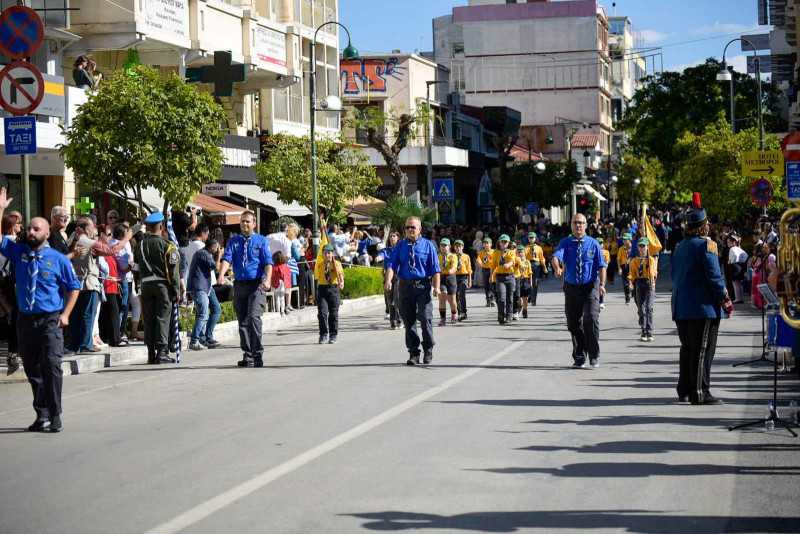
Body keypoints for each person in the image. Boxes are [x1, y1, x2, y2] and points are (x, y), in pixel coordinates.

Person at [0, 188, 80, 432]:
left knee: (51, 366)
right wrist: (1, 209)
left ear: (47, 232)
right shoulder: (19, 253)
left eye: (36, 228)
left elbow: (73, 287)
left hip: (50, 321)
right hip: (25, 320)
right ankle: (41, 414)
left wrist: (65, 315)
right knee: (32, 368)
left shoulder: (59, 259)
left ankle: (55, 415)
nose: (31, 231)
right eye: (30, 228)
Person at [672, 193, 733, 405]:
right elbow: (715, 277)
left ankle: (685, 389)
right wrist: (725, 299)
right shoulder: (707, 245)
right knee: (702, 351)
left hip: (681, 307)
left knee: (688, 349)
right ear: (704, 226)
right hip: (702, 307)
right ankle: (700, 392)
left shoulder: (680, 247)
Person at [67, 217, 132, 355]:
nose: (95, 229)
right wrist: (126, 239)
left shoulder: (71, 240)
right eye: (93, 226)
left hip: (74, 284)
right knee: (88, 315)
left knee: (75, 316)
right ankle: (85, 345)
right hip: (89, 282)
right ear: (86, 229)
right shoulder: (91, 243)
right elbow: (111, 250)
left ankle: (74, 345)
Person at [551, 213, 607, 369]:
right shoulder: (565, 243)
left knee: (591, 319)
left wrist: (602, 284)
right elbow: (556, 257)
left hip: (590, 286)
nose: (578, 226)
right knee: (573, 324)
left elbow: (602, 265)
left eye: (581, 223)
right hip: (571, 287)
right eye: (575, 223)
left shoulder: (593, 243)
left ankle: (594, 354)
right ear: (571, 225)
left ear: (586, 225)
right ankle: (580, 356)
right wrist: (557, 268)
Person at [218, 211, 274, 367]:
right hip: (240, 285)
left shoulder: (261, 240)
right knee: (242, 322)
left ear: (254, 223)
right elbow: (227, 258)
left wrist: (268, 280)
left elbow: (268, 262)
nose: (245, 224)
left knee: (254, 317)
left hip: (257, 285)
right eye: (242, 221)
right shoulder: (234, 241)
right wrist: (221, 274)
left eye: (248, 222)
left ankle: (257, 354)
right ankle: (247, 354)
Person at [384, 217, 441, 365]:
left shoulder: (428, 246)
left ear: (419, 229)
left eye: (413, 227)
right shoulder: (400, 246)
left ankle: (428, 348)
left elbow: (435, 269)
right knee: (408, 321)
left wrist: (437, 287)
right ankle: (414, 353)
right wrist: (388, 280)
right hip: (405, 286)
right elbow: (391, 265)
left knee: (425, 317)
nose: (410, 230)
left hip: (423, 286)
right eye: (408, 227)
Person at [134, 213, 181, 364]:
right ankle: (161, 352)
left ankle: (150, 353)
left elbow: (136, 267)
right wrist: (176, 290)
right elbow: (173, 272)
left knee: (149, 318)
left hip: (146, 285)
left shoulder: (140, 245)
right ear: (161, 227)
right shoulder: (167, 246)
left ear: (147, 227)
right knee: (162, 318)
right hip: (162, 286)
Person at [187, 237, 222, 350]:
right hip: (199, 287)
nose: (217, 250)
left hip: (204, 287)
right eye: (216, 248)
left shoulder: (203, 253)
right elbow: (215, 267)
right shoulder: (203, 253)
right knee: (203, 314)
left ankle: (203, 338)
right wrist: (220, 255)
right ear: (212, 247)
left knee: (209, 311)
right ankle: (194, 340)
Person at [97, 224, 127, 347]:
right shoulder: (100, 248)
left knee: (108, 311)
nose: (110, 237)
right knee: (113, 310)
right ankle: (115, 338)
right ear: (101, 235)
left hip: (113, 283)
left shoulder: (106, 248)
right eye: (108, 234)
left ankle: (106, 337)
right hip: (106, 283)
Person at [628, 238, 658, 342]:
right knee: (641, 308)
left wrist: (653, 282)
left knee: (649, 308)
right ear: (638, 248)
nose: (642, 248)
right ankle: (643, 331)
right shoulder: (634, 261)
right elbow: (632, 273)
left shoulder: (651, 260)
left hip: (649, 282)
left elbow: (653, 272)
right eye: (640, 246)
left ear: (647, 247)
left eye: (644, 246)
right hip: (639, 283)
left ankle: (649, 331)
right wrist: (631, 282)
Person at [315, 244, 344, 343]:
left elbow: (340, 274)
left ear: (332, 254)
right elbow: (318, 278)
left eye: (329, 253)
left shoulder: (336, 264)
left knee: (333, 313)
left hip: (333, 288)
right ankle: (323, 334)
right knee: (322, 313)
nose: (327, 255)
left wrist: (341, 282)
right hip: (323, 289)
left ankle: (333, 335)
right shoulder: (320, 265)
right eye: (325, 253)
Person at [487, 234, 516, 325]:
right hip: (500, 277)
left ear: (508, 243)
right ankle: (501, 315)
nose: (503, 243)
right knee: (501, 297)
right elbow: (493, 265)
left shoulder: (511, 252)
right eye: (502, 241)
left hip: (510, 276)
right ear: (499, 242)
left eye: (505, 242)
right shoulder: (496, 253)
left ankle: (509, 315)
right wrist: (491, 276)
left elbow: (512, 261)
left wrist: (509, 264)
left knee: (509, 298)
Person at [377, 233, 401, 329]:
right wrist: (379, 258)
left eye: (394, 236)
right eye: (391, 236)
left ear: (398, 238)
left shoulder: (401, 249)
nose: (392, 238)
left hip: (399, 276)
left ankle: (399, 320)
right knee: (390, 300)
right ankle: (393, 321)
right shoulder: (385, 250)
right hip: (387, 277)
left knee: (397, 297)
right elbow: (381, 256)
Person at [437, 238, 458, 326]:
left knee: (452, 300)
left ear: (449, 246)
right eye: (442, 245)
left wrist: (452, 270)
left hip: (451, 277)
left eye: (445, 245)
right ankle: (443, 318)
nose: (443, 247)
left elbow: (454, 266)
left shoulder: (453, 256)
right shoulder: (438, 256)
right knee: (442, 298)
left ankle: (454, 313)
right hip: (441, 277)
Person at [525, 233, 547, 306]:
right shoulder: (526, 248)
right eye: (529, 238)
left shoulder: (539, 248)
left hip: (536, 264)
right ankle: (529, 296)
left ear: (535, 239)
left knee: (535, 282)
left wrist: (544, 267)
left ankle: (534, 300)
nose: (531, 239)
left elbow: (542, 258)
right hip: (528, 264)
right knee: (527, 281)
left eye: (532, 238)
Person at [453, 239, 472, 321]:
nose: (458, 248)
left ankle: (464, 312)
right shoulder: (452, 256)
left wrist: (470, 280)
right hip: (454, 277)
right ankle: (459, 312)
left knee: (461, 295)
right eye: (456, 246)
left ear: (462, 247)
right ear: (454, 247)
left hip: (464, 277)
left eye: (460, 246)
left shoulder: (466, 256)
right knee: (456, 296)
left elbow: (469, 269)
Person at [726, 235, 748, 303]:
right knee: (739, 283)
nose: (728, 244)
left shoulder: (732, 249)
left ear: (734, 242)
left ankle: (738, 298)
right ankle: (740, 298)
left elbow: (734, 256)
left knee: (735, 283)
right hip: (739, 266)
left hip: (734, 266)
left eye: (729, 242)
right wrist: (741, 261)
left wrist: (731, 261)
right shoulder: (739, 248)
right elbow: (745, 255)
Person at [476, 237, 496, 307]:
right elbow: (479, 259)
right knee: (486, 285)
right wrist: (479, 262)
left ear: (491, 244)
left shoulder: (494, 252)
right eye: (484, 243)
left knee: (492, 284)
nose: (486, 244)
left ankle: (492, 298)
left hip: (492, 270)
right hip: (485, 269)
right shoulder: (481, 252)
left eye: (487, 243)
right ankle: (488, 299)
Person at [271, 251, 292, 316]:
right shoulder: (285, 266)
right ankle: (282, 312)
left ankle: (278, 311)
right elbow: (287, 275)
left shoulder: (273, 267)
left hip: (275, 283)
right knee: (282, 298)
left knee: (277, 298)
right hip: (283, 283)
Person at [516, 244, 534, 318]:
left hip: (525, 280)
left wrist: (531, 283)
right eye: (519, 252)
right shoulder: (515, 261)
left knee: (525, 297)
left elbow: (530, 273)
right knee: (518, 296)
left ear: (525, 253)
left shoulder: (527, 262)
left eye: (522, 252)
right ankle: (520, 306)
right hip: (518, 280)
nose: (520, 253)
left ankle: (525, 310)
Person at [617, 233, 633, 305]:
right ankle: (627, 297)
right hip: (624, 266)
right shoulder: (621, 248)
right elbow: (618, 259)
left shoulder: (634, 248)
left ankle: (634, 293)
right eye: (623, 239)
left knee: (633, 280)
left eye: (625, 239)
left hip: (633, 265)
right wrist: (619, 268)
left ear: (630, 240)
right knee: (625, 282)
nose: (624, 241)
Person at [597, 238, 611, 309]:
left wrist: (605, 265)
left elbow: (607, 260)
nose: (600, 245)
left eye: (601, 243)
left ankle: (601, 302)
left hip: (602, 271)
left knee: (602, 286)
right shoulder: (593, 251)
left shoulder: (606, 252)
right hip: (594, 272)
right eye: (598, 243)